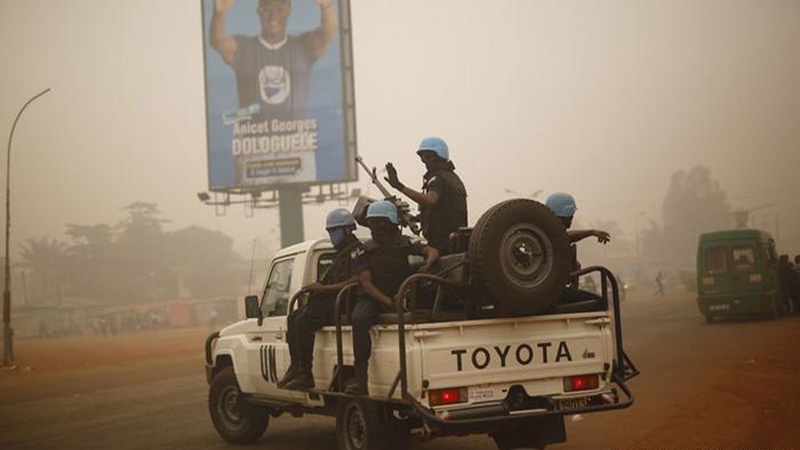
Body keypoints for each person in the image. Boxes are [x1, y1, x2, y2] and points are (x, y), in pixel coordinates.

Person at [346, 201, 439, 395]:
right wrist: (388, 302)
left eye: (379, 222)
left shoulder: (405, 243)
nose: (375, 228)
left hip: (401, 295)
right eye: (372, 223)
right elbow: (366, 283)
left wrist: (429, 261)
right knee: (359, 318)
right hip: (372, 299)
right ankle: (361, 378)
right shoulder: (363, 249)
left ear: (391, 223)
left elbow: (430, 250)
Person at [278, 208, 366, 390]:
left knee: (303, 322)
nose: (331, 235)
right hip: (331, 300)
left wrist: (324, 288)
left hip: (343, 302)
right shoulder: (341, 252)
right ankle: (296, 367)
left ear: (347, 230)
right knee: (293, 318)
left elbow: (357, 280)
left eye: (333, 231)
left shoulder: (356, 251)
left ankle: (305, 373)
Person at [210, 0, 337, 121]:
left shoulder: (303, 47)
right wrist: (219, 14)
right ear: (259, 12)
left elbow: (326, 33)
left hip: (297, 142)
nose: (273, 15)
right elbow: (218, 41)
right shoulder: (244, 48)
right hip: (253, 141)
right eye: (267, 9)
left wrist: (326, 7)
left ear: (289, 10)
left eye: (279, 9)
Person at [384, 137, 468, 255]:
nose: (425, 161)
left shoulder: (438, 178)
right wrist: (417, 218)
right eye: (422, 158)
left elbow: (430, 200)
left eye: (428, 156)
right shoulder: (453, 178)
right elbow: (445, 210)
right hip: (455, 243)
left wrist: (399, 186)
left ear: (439, 156)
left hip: (442, 245)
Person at [545, 192, 610, 303]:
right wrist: (592, 232)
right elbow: (566, 237)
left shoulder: (540, 233)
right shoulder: (549, 235)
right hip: (553, 293)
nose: (572, 218)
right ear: (566, 214)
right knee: (599, 302)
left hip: (551, 291)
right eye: (571, 215)